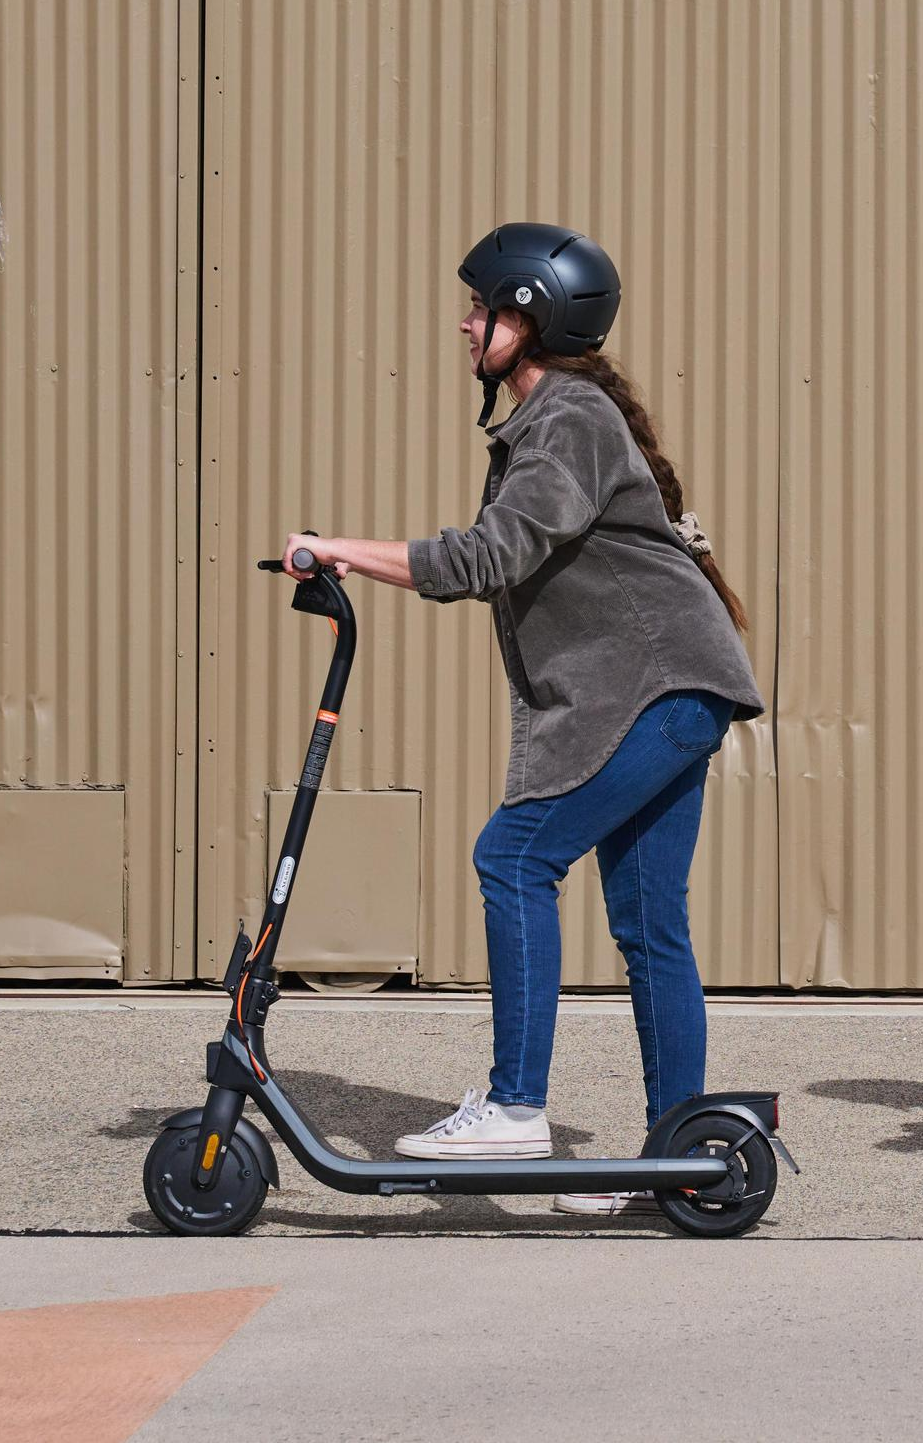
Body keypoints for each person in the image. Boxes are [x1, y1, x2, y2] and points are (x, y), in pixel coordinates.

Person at [283, 224, 763, 1217]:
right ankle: (681, 1152)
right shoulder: (565, 421)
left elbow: (486, 557)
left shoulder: (568, 420)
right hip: (679, 687)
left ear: (528, 318)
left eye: (480, 308)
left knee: (514, 858)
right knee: (649, 921)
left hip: (656, 689)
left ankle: (514, 1106)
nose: (464, 324)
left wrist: (336, 549)